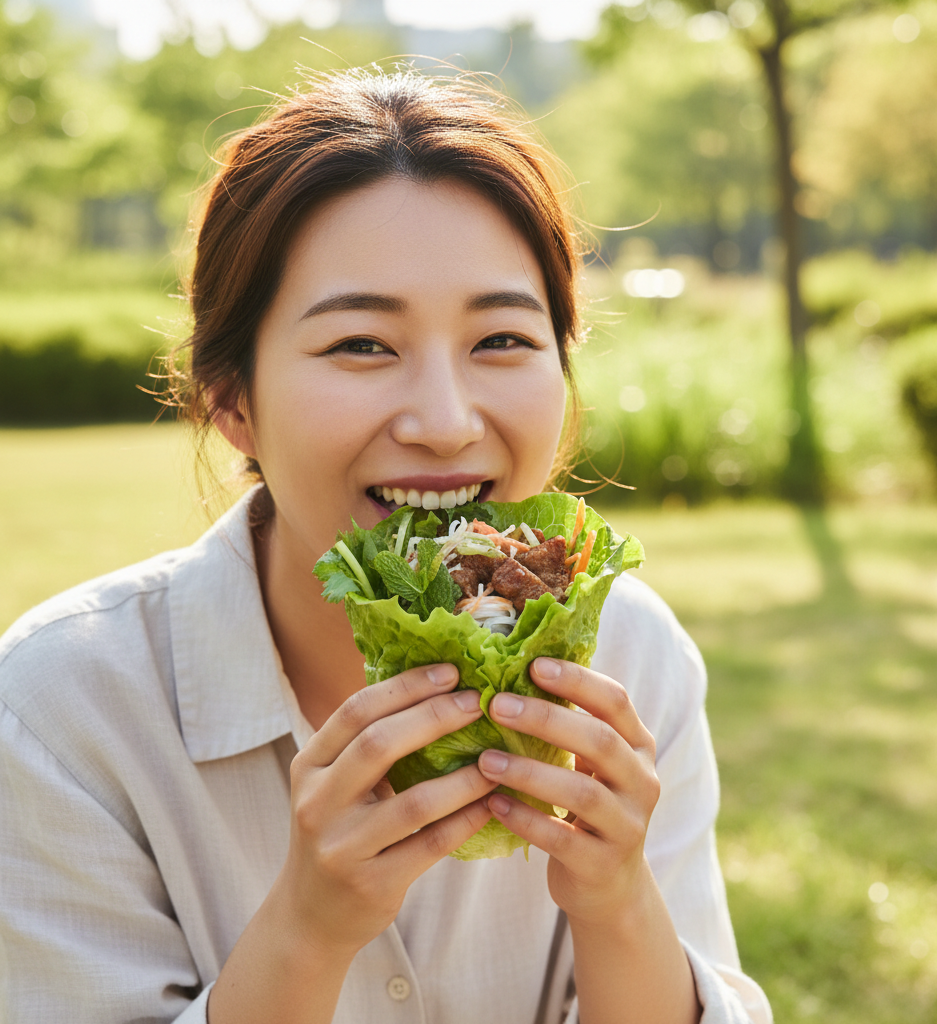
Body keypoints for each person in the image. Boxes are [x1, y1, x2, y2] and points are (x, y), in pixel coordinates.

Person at [0, 69, 771, 1024]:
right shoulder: (59, 714)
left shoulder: (630, 658)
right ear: (232, 400)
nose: (447, 425)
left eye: (501, 340)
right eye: (362, 344)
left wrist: (618, 905)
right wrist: (308, 931)